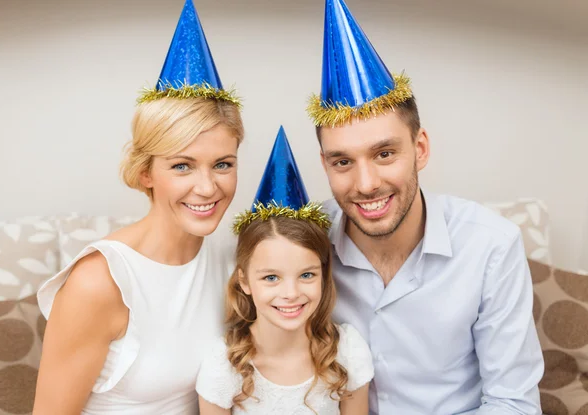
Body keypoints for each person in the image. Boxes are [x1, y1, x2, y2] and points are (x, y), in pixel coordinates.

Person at [307, 0, 544, 414]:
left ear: (420, 149)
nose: (365, 185)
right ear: (325, 164)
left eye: (384, 154)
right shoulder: (302, 243)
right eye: (342, 161)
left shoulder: (490, 246)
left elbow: (513, 404)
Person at [33, 1, 244, 413]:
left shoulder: (231, 257)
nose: (207, 187)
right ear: (146, 172)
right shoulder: (100, 283)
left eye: (223, 164)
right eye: (182, 166)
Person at [195, 127, 374, 415]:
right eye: (271, 277)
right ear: (244, 280)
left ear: (323, 274)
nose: (291, 294)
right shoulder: (226, 364)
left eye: (306, 275)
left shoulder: (346, 352)